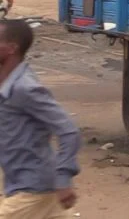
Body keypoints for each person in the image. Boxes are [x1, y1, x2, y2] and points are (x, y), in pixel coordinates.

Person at [0, 20, 81, 219]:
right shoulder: (8, 83)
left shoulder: (25, 88)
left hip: (33, 188)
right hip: (31, 185)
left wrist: (63, 178)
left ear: (11, 49)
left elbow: (69, 131)